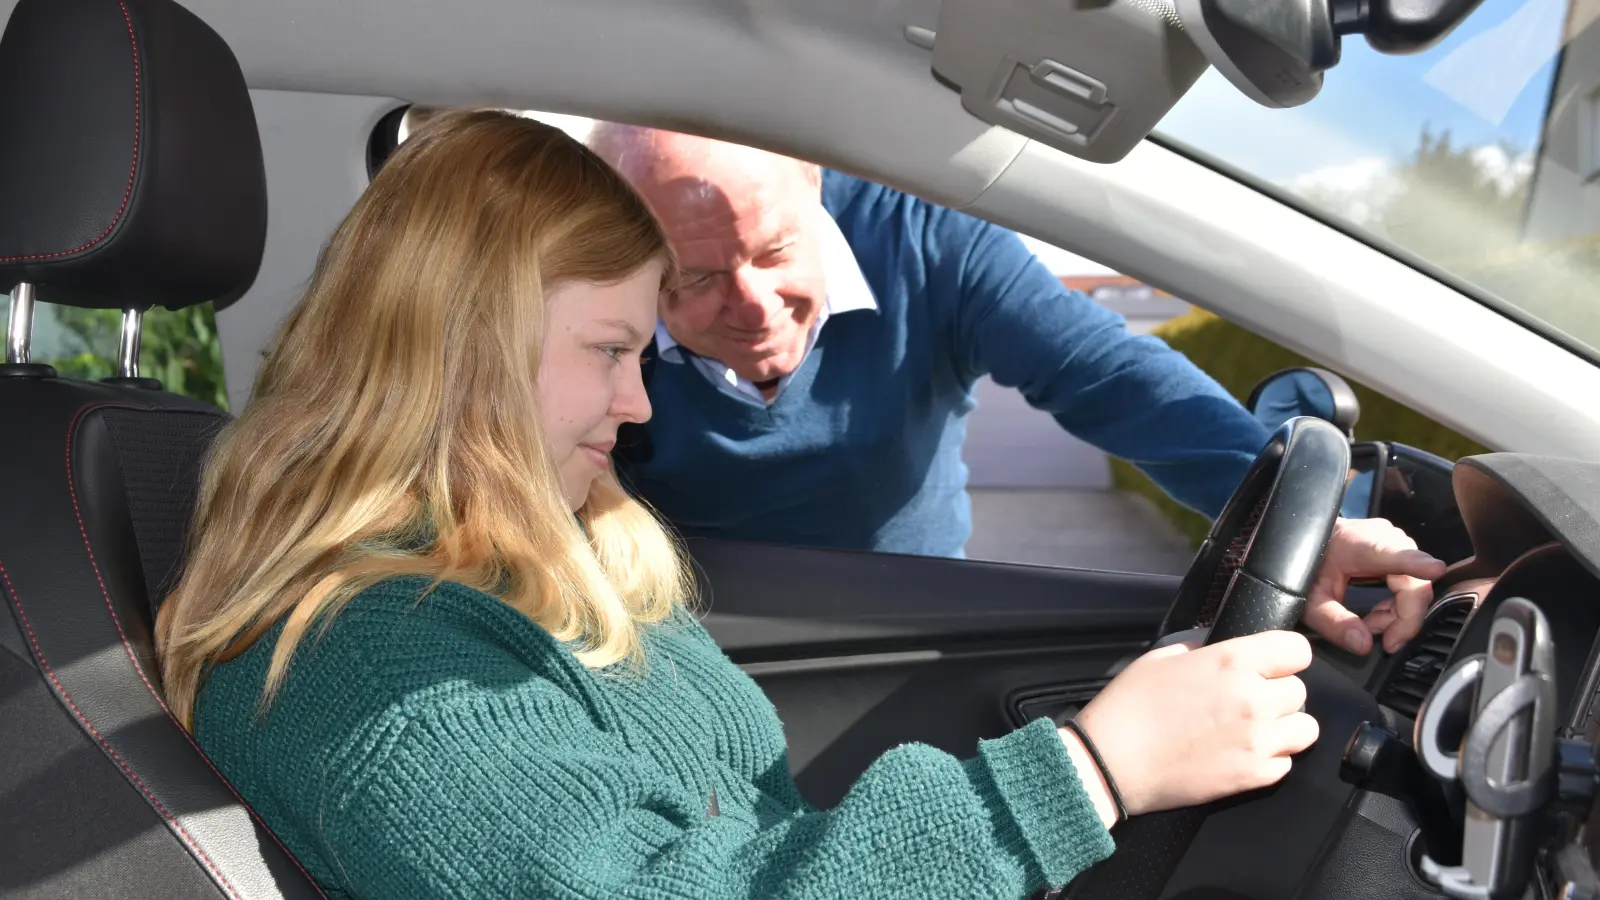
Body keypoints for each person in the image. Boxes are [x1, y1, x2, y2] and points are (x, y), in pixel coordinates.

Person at [159, 109, 1331, 899]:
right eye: (619, 345)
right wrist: (1089, 772)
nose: (640, 402)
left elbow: (1109, 378)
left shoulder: (538, 538)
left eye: (638, 348)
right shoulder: (384, 674)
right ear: (461, 350)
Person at [589, 125, 1445, 657]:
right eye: (693, 277)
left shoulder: (932, 240)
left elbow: (1110, 376)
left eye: (775, 252)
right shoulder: (578, 305)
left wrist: (1303, 525)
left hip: (908, 629)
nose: (753, 308)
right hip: (678, 637)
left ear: (815, 183)